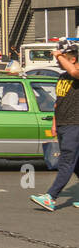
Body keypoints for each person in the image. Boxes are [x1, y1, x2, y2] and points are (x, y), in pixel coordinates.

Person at [30, 45, 79, 211]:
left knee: (66, 161)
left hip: (76, 125)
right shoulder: (62, 77)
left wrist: (59, 55)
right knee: (76, 163)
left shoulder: (75, 74)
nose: (58, 61)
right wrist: (54, 123)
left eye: (63, 58)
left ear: (72, 59)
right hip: (64, 125)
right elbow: (58, 102)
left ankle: (51, 197)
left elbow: (74, 72)